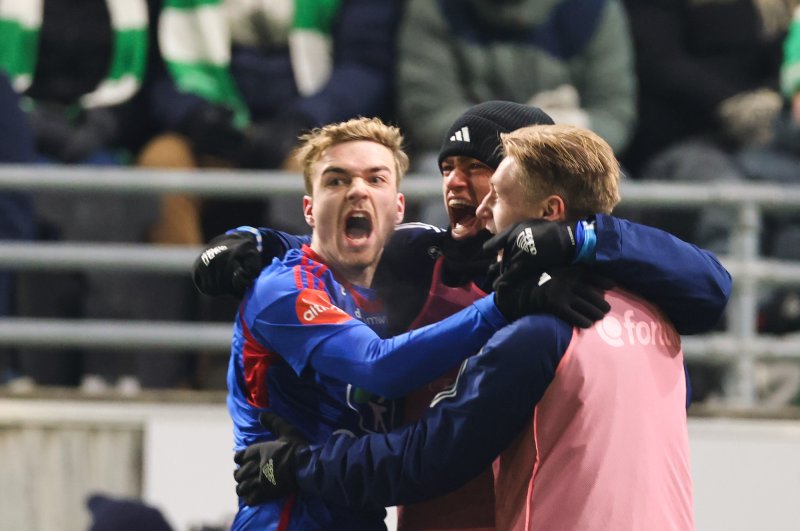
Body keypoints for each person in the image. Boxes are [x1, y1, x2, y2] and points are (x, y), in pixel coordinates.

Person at [196, 101, 731, 530]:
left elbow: (712, 283)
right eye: (448, 167)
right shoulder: (418, 260)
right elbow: (336, 250)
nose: (457, 183)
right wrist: (260, 240)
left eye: (482, 169)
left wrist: (582, 238)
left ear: (545, 200)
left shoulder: (578, 291)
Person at [223, 116, 610, 530]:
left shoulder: (402, 276)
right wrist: (257, 238)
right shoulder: (283, 288)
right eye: (336, 181)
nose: (357, 190)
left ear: (398, 209)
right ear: (309, 210)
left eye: (375, 179)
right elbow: (379, 367)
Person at [395, 0, 636, 179]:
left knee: (614, 183)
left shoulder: (594, 9)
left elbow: (613, 117)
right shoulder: (436, 7)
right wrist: (535, 126)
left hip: (564, 156)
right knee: (441, 178)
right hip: (470, 155)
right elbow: (431, 116)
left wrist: (556, 131)